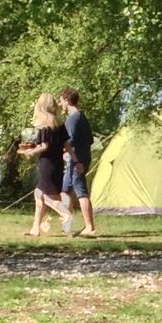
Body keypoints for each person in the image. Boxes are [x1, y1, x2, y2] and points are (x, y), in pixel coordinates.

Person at [17, 93, 74, 236]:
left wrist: (30, 152)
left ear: (41, 106)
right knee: (39, 193)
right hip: (57, 163)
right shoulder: (59, 124)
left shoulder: (44, 125)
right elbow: (67, 145)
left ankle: (65, 214)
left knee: (45, 196)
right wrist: (75, 159)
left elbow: (44, 146)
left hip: (47, 163)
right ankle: (35, 229)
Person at [58, 87, 96, 237]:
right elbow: (90, 139)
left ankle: (90, 227)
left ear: (67, 100)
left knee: (80, 191)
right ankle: (67, 225)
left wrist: (73, 156)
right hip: (79, 158)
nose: (60, 105)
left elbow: (69, 140)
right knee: (65, 189)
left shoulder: (73, 118)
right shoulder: (81, 117)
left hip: (77, 161)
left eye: (61, 101)